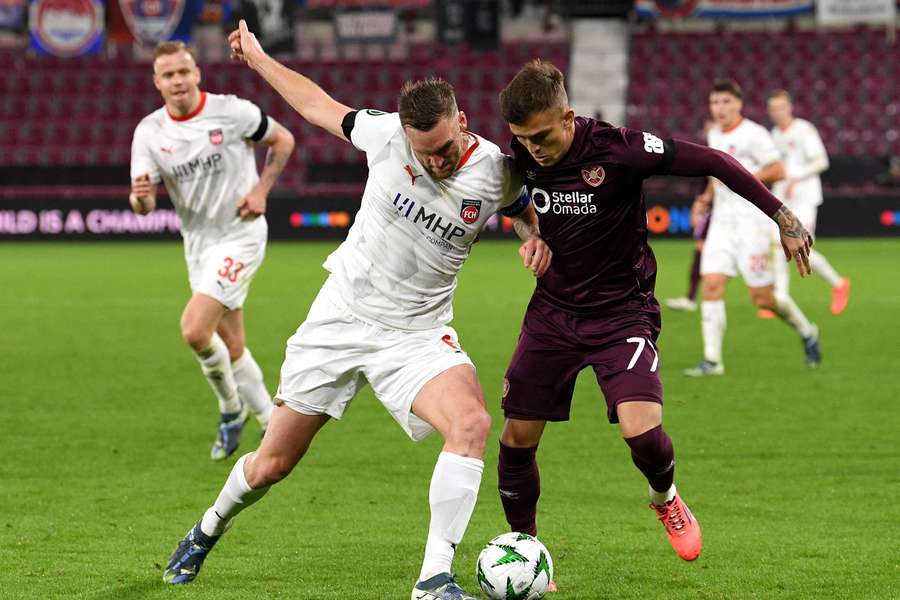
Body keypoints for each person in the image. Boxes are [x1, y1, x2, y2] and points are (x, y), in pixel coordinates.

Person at [162, 21, 552, 600]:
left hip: (418, 333)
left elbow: (523, 209)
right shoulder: (385, 135)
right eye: (425, 155)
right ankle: (206, 527)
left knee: (470, 425)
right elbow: (315, 104)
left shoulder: (496, 170)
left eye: (445, 150)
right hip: (340, 320)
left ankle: (433, 580)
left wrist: (531, 235)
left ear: (462, 124)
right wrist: (261, 60)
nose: (437, 164)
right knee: (272, 465)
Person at [493, 61, 813, 583]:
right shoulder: (520, 156)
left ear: (568, 117)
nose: (533, 149)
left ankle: (664, 497)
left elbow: (713, 159)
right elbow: (516, 202)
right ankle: (526, 552)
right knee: (517, 438)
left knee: (643, 435)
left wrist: (782, 216)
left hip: (623, 313)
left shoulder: (619, 148)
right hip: (552, 314)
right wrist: (530, 233)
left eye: (542, 136)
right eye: (522, 139)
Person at [129, 41, 295, 460]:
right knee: (231, 344)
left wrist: (261, 190)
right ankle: (268, 423)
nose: (177, 80)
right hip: (199, 244)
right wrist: (142, 198)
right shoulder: (149, 132)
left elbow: (284, 140)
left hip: (241, 234)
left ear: (197, 73)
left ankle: (229, 408)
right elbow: (143, 206)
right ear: (157, 82)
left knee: (194, 329)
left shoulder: (231, 111)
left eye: (183, 71)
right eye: (168, 75)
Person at [684, 79, 821, 376]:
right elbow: (714, 174)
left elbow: (778, 169)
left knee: (763, 298)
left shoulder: (754, 134)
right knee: (712, 285)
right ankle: (712, 360)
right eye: (714, 103)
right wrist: (704, 201)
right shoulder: (714, 134)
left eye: (725, 102)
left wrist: (743, 177)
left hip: (753, 225)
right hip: (722, 224)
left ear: (738, 104)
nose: (719, 108)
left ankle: (807, 330)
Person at [768, 89, 850, 316]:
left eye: (781, 107)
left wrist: (797, 177)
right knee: (777, 245)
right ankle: (780, 299)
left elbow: (822, 161)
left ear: (790, 108)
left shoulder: (804, 130)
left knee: (802, 244)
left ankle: (838, 284)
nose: (777, 112)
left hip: (805, 197)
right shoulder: (774, 134)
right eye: (773, 108)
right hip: (784, 197)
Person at [667, 119, 716, 313]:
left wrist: (702, 202)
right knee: (703, 249)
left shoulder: (718, 151)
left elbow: (715, 180)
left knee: (702, 249)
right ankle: (693, 297)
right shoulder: (710, 151)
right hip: (714, 207)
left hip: (719, 209)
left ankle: (691, 298)